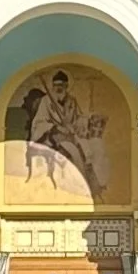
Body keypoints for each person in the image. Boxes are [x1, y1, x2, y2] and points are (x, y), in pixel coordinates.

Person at [23, 69, 104, 197]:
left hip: (69, 134)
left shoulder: (71, 101)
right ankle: (81, 186)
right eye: (56, 86)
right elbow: (38, 123)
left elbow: (77, 117)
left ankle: (94, 186)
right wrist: (55, 127)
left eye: (61, 86)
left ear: (66, 86)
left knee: (88, 149)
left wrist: (84, 121)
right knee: (75, 152)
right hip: (50, 136)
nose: (58, 89)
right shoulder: (46, 101)